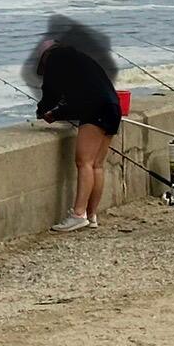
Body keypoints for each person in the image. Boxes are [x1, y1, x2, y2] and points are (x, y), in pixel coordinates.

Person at [33, 37, 120, 231]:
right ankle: (92, 215)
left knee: (84, 162)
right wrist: (57, 114)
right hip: (113, 107)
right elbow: (79, 97)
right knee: (97, 165)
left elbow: (51, 93)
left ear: (45, 57)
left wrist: (44, 111)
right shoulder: (80, 59)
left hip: (95, 109)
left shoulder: (55, 59)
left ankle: (78, 214)